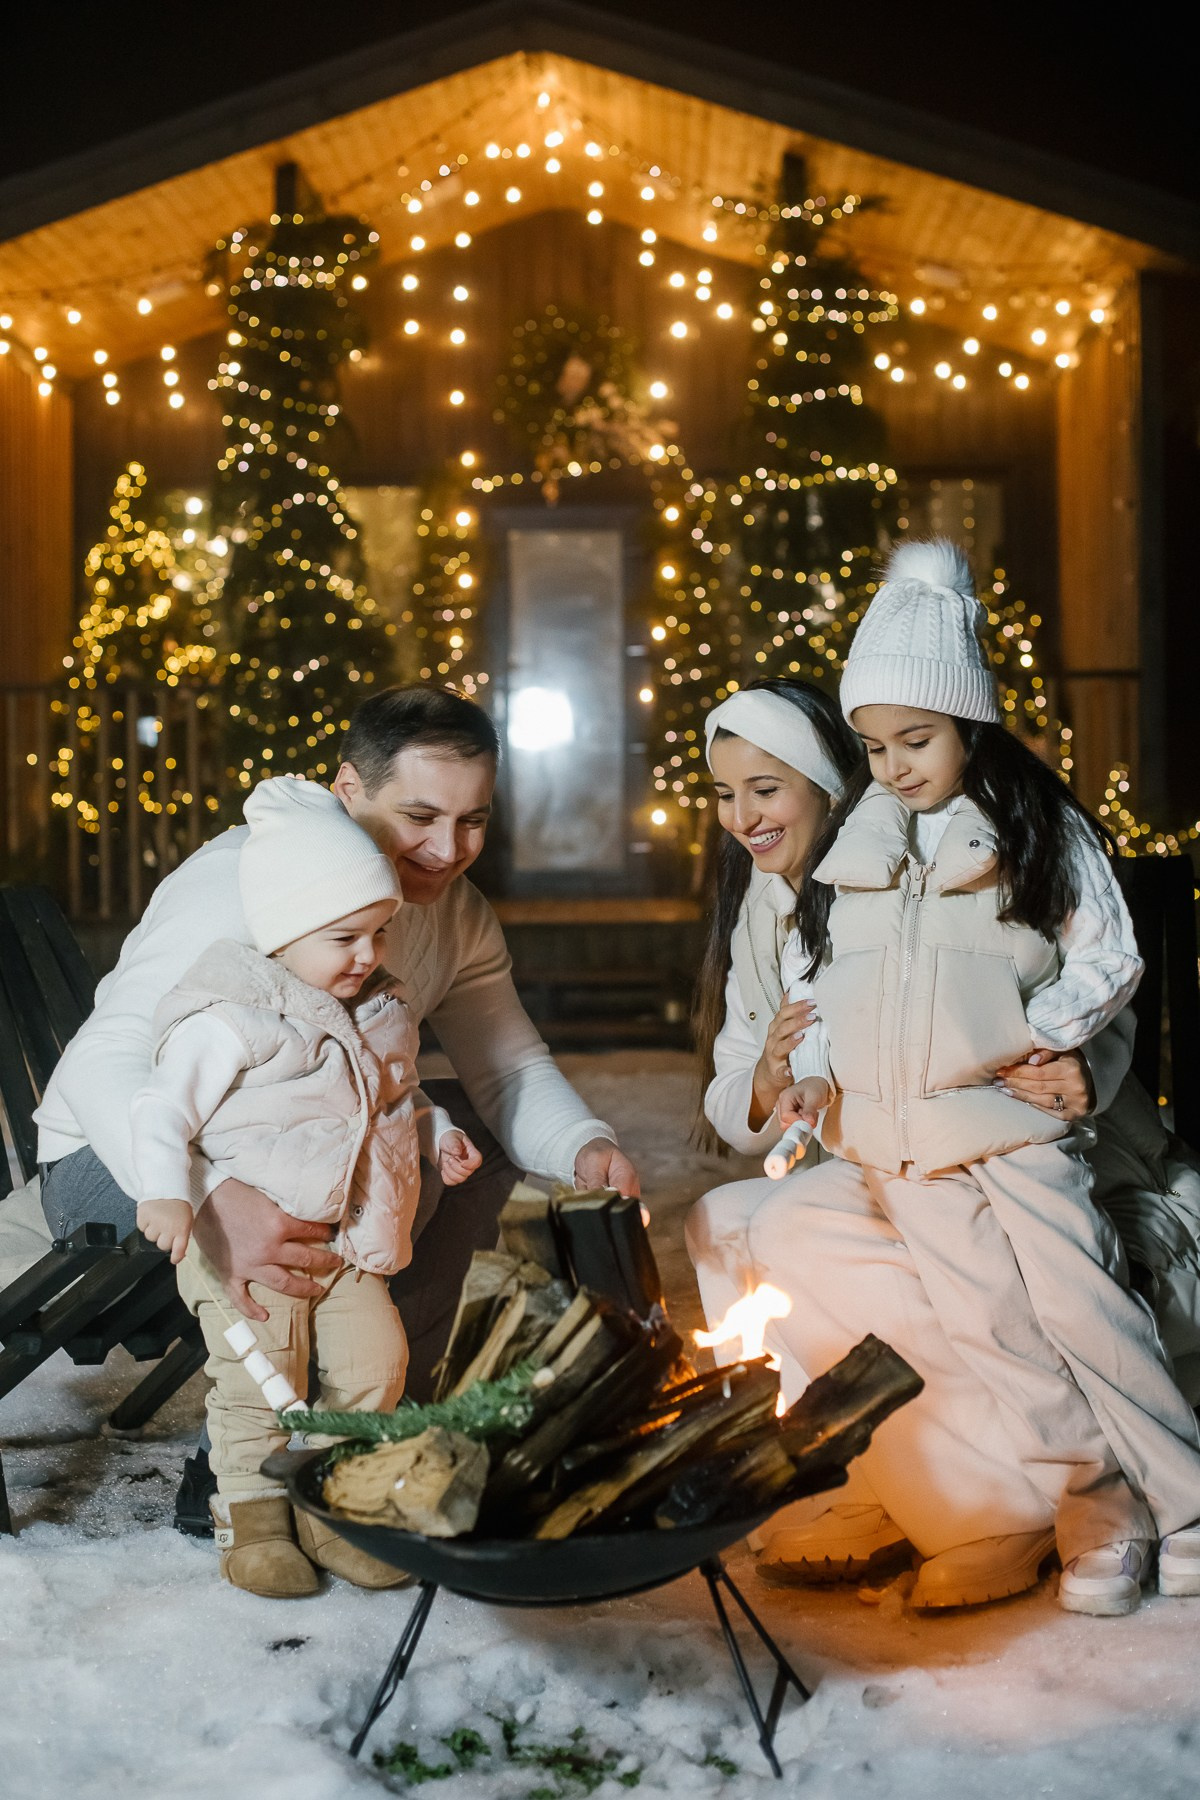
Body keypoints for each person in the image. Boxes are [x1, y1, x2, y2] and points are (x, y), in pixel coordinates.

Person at [35, 686, 639, 1530]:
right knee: (326, 1159)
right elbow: (110, 1061)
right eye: (420, 815)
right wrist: (213, 1194)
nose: (446, 849)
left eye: (473, 821)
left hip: (290, 1152)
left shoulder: (452, 915)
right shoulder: (240, 879)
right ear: (349, 792)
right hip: (115, 1161)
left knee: (462, 1131)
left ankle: (366, 1426)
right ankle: (246, 1453)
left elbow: (507, 1067)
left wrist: (584, 1147)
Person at [686, 661, 1200, 1611]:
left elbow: (1078, 991)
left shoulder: (963, 850)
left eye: (766, 790)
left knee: (808, 1224)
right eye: (725, 794)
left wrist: (1081, 1070)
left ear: (830, 784)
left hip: (1012, 1133)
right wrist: (768, 1084)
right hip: (880, 1145)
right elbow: (742, 1080)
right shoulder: (776, 911)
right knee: (727, 1219)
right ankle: (887, 1482)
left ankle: (998, 1498)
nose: (742, 817)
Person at [134, 777, 480, 1597]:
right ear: (285, 932)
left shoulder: (379, 1005)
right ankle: (251, 1518)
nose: (368, 956)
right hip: (249, 1248)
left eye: (379, 933)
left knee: (374, 1367)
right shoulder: (234, 1017)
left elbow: (398, 1095)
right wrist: (169, 1193)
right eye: (344, 938)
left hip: (354, 1243)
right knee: (264, 1376)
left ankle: (333, 1509)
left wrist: (440, 1133)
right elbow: (160, 1106)